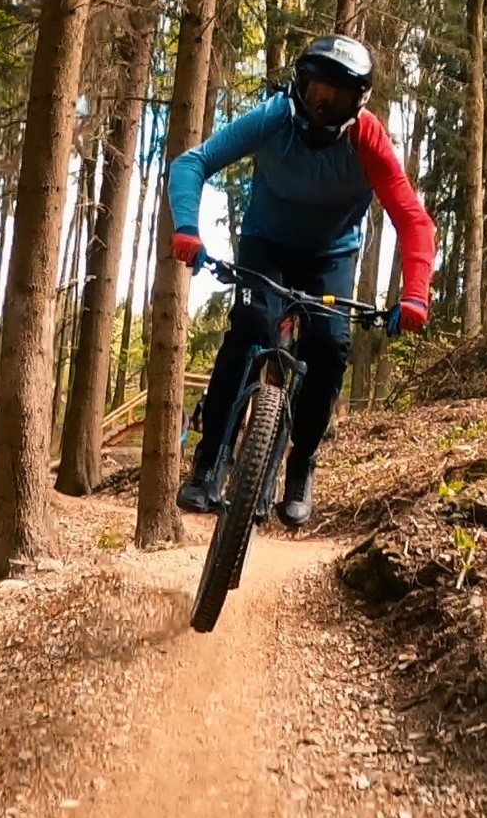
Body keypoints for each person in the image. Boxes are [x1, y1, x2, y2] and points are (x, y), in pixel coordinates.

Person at [165, 34, 437, 527]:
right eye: (316, 92)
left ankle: (301, 463)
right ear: (299, 85)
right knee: (251, 325)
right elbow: (192, 163)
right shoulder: (274, 117)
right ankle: (208, 463)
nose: (322, 107)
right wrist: (187, 227)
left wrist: (415, 294)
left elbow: (413, 220)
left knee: (331, 345)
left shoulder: (368, 139)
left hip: (330, 255)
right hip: (266, 244)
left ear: (359, 104)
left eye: (337, 99)